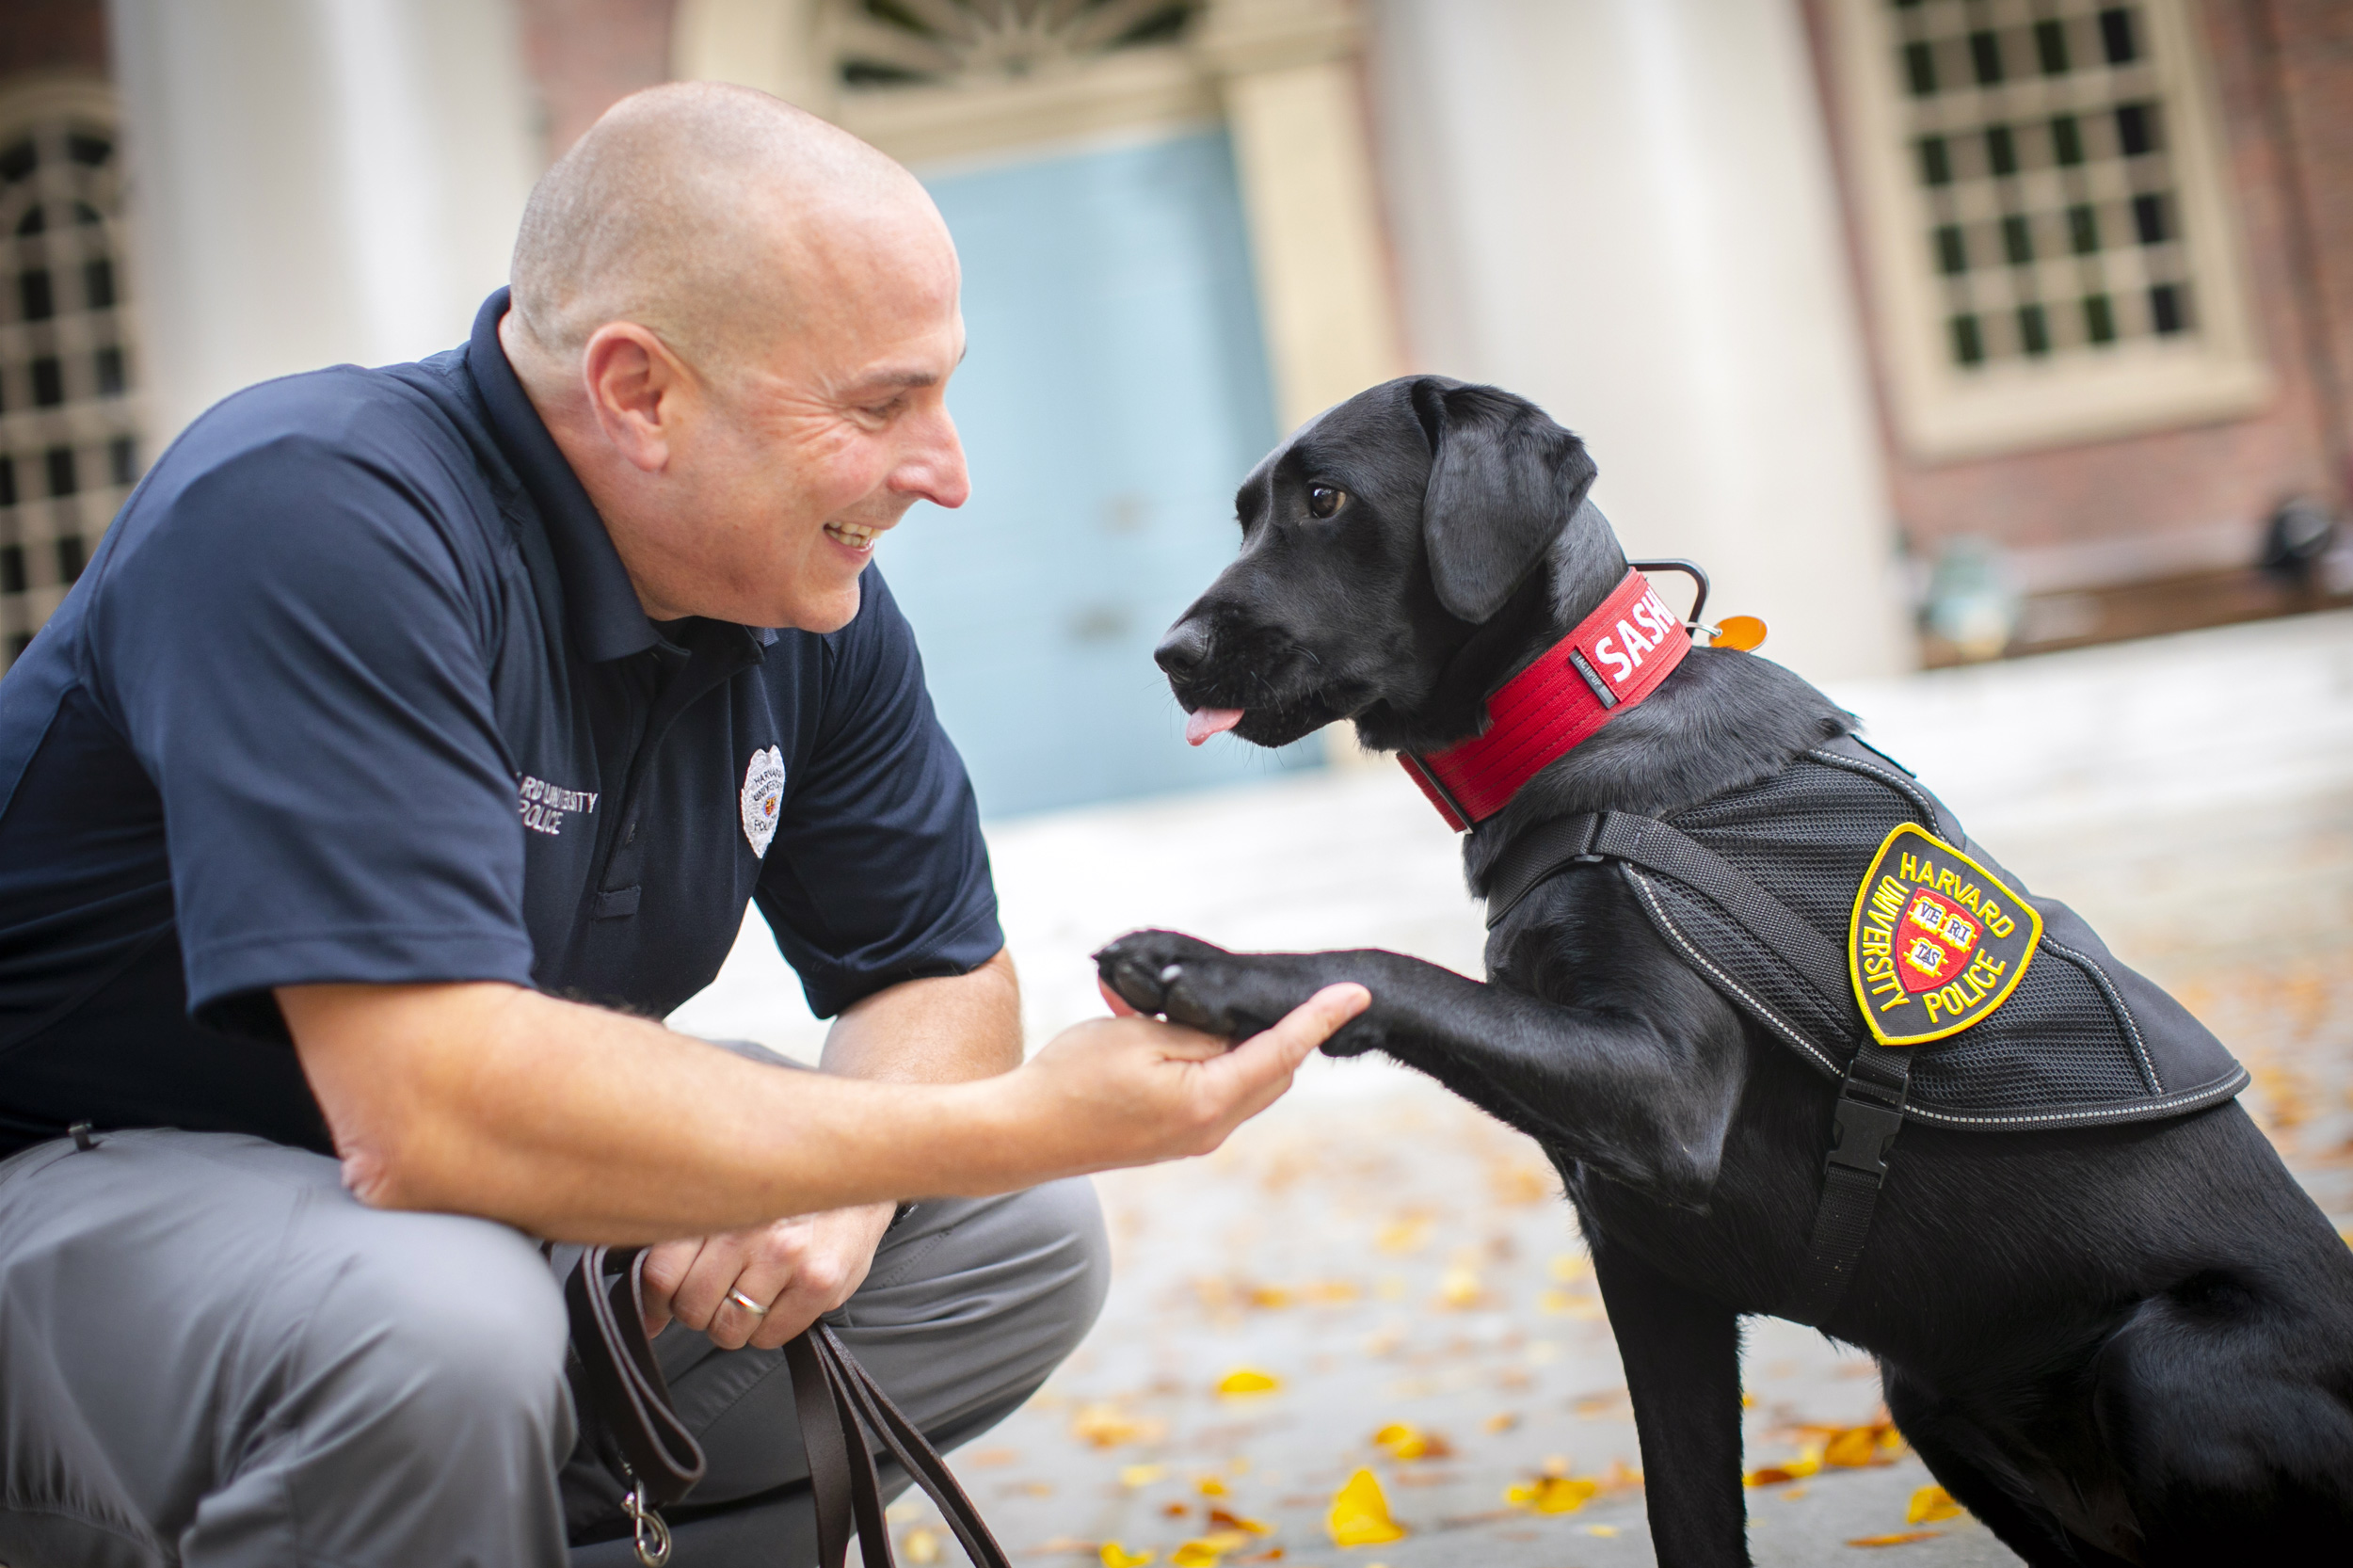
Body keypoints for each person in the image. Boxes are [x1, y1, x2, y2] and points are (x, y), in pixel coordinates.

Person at [0, 83, 1366, 1567]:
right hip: (84, 1180)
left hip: (412, 1209)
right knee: (441, 1328)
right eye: (877, 404)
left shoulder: (794, 596)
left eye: (942, 390)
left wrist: (847, 1181)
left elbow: (935, 970)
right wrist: (997, 1122)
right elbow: (422, 1106)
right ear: (640, 391)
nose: (949, 472)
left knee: (1012, 1241)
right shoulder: (313, 511)